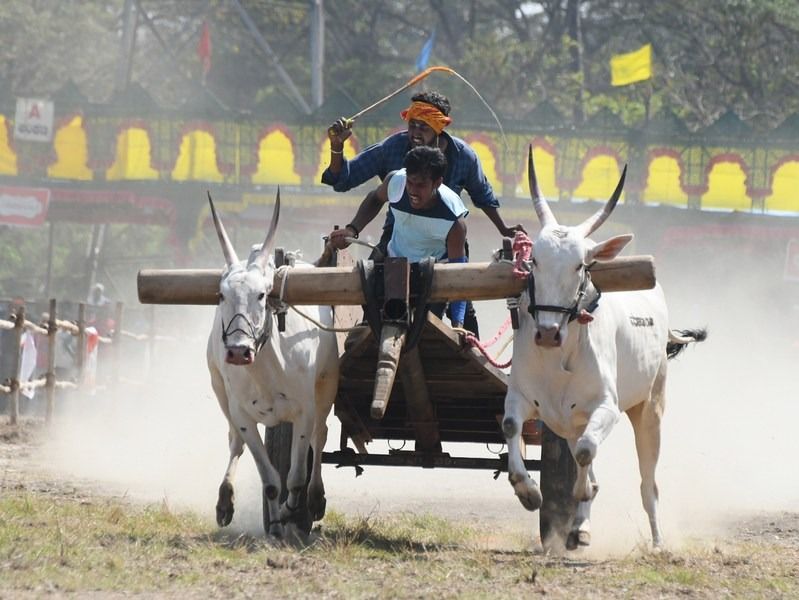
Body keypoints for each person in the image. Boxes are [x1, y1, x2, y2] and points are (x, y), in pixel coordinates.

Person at [324, 91, 523, 335]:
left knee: (462, 303)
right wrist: (336, 147)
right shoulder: (395, 166)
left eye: (424, 127)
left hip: (445, 240)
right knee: (373, 289)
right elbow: (345, 181)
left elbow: (482, 196)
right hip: (398, 233)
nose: (416, 133)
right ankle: (368, 331)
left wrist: (503, 228)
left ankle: (469, 343)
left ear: (438, 182)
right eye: (412, 125)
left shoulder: (464, 165)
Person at [328, 146, 468, 329]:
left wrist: (458, 325)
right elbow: (374, 198)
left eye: (421, 185)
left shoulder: (454, 219)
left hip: (433, 274)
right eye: (410, 182)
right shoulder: (396, 182)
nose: (413, 191)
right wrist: (352, 229)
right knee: (370, 323)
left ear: (437, 183)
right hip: (393, 264)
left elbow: (459, 274)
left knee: (429, 332)